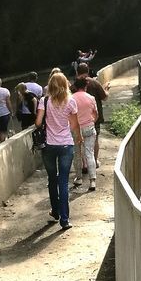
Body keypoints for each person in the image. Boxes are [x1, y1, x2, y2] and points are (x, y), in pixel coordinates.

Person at [35, 70, 81, 230]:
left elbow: (38, 123)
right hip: (66, 146)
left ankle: (55, 211)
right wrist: (79, 137)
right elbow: (74, 125)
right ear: (64, 84)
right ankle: (65, 220)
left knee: (52, 179)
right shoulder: (71, 101)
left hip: (48, 146)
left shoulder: (44, 100)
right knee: (63, 181)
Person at [71, 72, 101, 191]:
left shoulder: (71, 99)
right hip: (89, 127)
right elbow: (96, 114)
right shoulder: (91, 98)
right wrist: (92, 121)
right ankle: (92, 181)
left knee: (77, 154)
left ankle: (78, 179)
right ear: (85, 86)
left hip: (75, 129)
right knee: (89, 153)